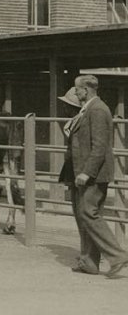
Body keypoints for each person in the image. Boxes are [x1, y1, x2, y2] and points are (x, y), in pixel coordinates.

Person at [59, 75, 128, 278]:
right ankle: (89, 262)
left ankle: (118, 255)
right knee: (85, 214)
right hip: (87, 172)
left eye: (77, 89)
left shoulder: (97, 110)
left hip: (94, 174)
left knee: (89, 213)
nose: (76, 93)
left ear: (86, 90)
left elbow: (99, 146)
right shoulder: (89, 108)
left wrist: (86, 172)